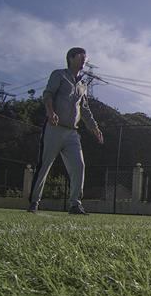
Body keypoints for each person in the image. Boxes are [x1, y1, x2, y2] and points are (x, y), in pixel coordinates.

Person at [28, 47, 104, 214]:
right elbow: (48, 94)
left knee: (79, 166)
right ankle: (34, 202)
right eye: (81, 56)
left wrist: (95, 127)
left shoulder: (83, 85)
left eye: (85, 57)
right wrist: (50, 112)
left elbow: (85, 109)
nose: (84, 60)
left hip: (72, 133)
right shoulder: (59, 75)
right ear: (71, 58)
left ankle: (75, 204)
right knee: (45, 165)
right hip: (54, 128)